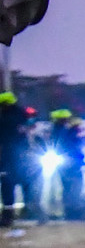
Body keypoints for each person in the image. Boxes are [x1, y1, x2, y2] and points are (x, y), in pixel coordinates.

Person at [0, 91, 31, 226]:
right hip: (23, 157)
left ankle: (8, 215)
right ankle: (29, 210)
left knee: (7, 185)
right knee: (26, 184)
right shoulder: (22, 117)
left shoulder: (4, 119)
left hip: (8, 157)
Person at [48, 110, 83, 220]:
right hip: (71, 163)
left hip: (66, 163)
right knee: (73, 186)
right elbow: (74, 147)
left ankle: (69, 209)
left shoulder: (57, 131)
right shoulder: (67, 131)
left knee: (67, 187)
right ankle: (72, 210)